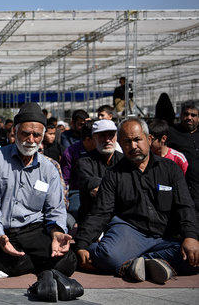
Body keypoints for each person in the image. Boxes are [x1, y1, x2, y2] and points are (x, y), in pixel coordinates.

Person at [74, 118, 199, 284]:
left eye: (137, 140)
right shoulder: (114, 174)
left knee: (194, 257)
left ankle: (139, 262)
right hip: (130, 231)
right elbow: (101, 212)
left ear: (148, 139)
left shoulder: (170, 169)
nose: (133, 146)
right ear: (121, 143)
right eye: (127, 142)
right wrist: (81, 245)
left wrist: (190, 237)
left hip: (164, 234)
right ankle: (144, 262)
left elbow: (185, 205)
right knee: (107, 256)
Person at [0, 102, 76, 277]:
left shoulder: (49, 168)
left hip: (34, 231)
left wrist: (57, 233)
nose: (31, 140)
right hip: (6, 231)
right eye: (25, 133)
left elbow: (55, 209)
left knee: (67, 262)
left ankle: (34, 262)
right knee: (12, 263)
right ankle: (34, 263)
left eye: (36, 135)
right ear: (15, 132)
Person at [76, 120, 124, 225]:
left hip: (120, 219)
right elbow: (95, 190)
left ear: (116, 137)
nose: (107, 140)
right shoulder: (84, 162)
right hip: (91, 219)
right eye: (102, 136)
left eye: (111, 135)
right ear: (94, 139)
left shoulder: (124, 161)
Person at [167, 101, 199, 213]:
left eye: (193, 115)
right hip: (183, 189)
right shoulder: (171, 133)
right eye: (186, 114)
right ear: (180, 116)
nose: (189, 118)